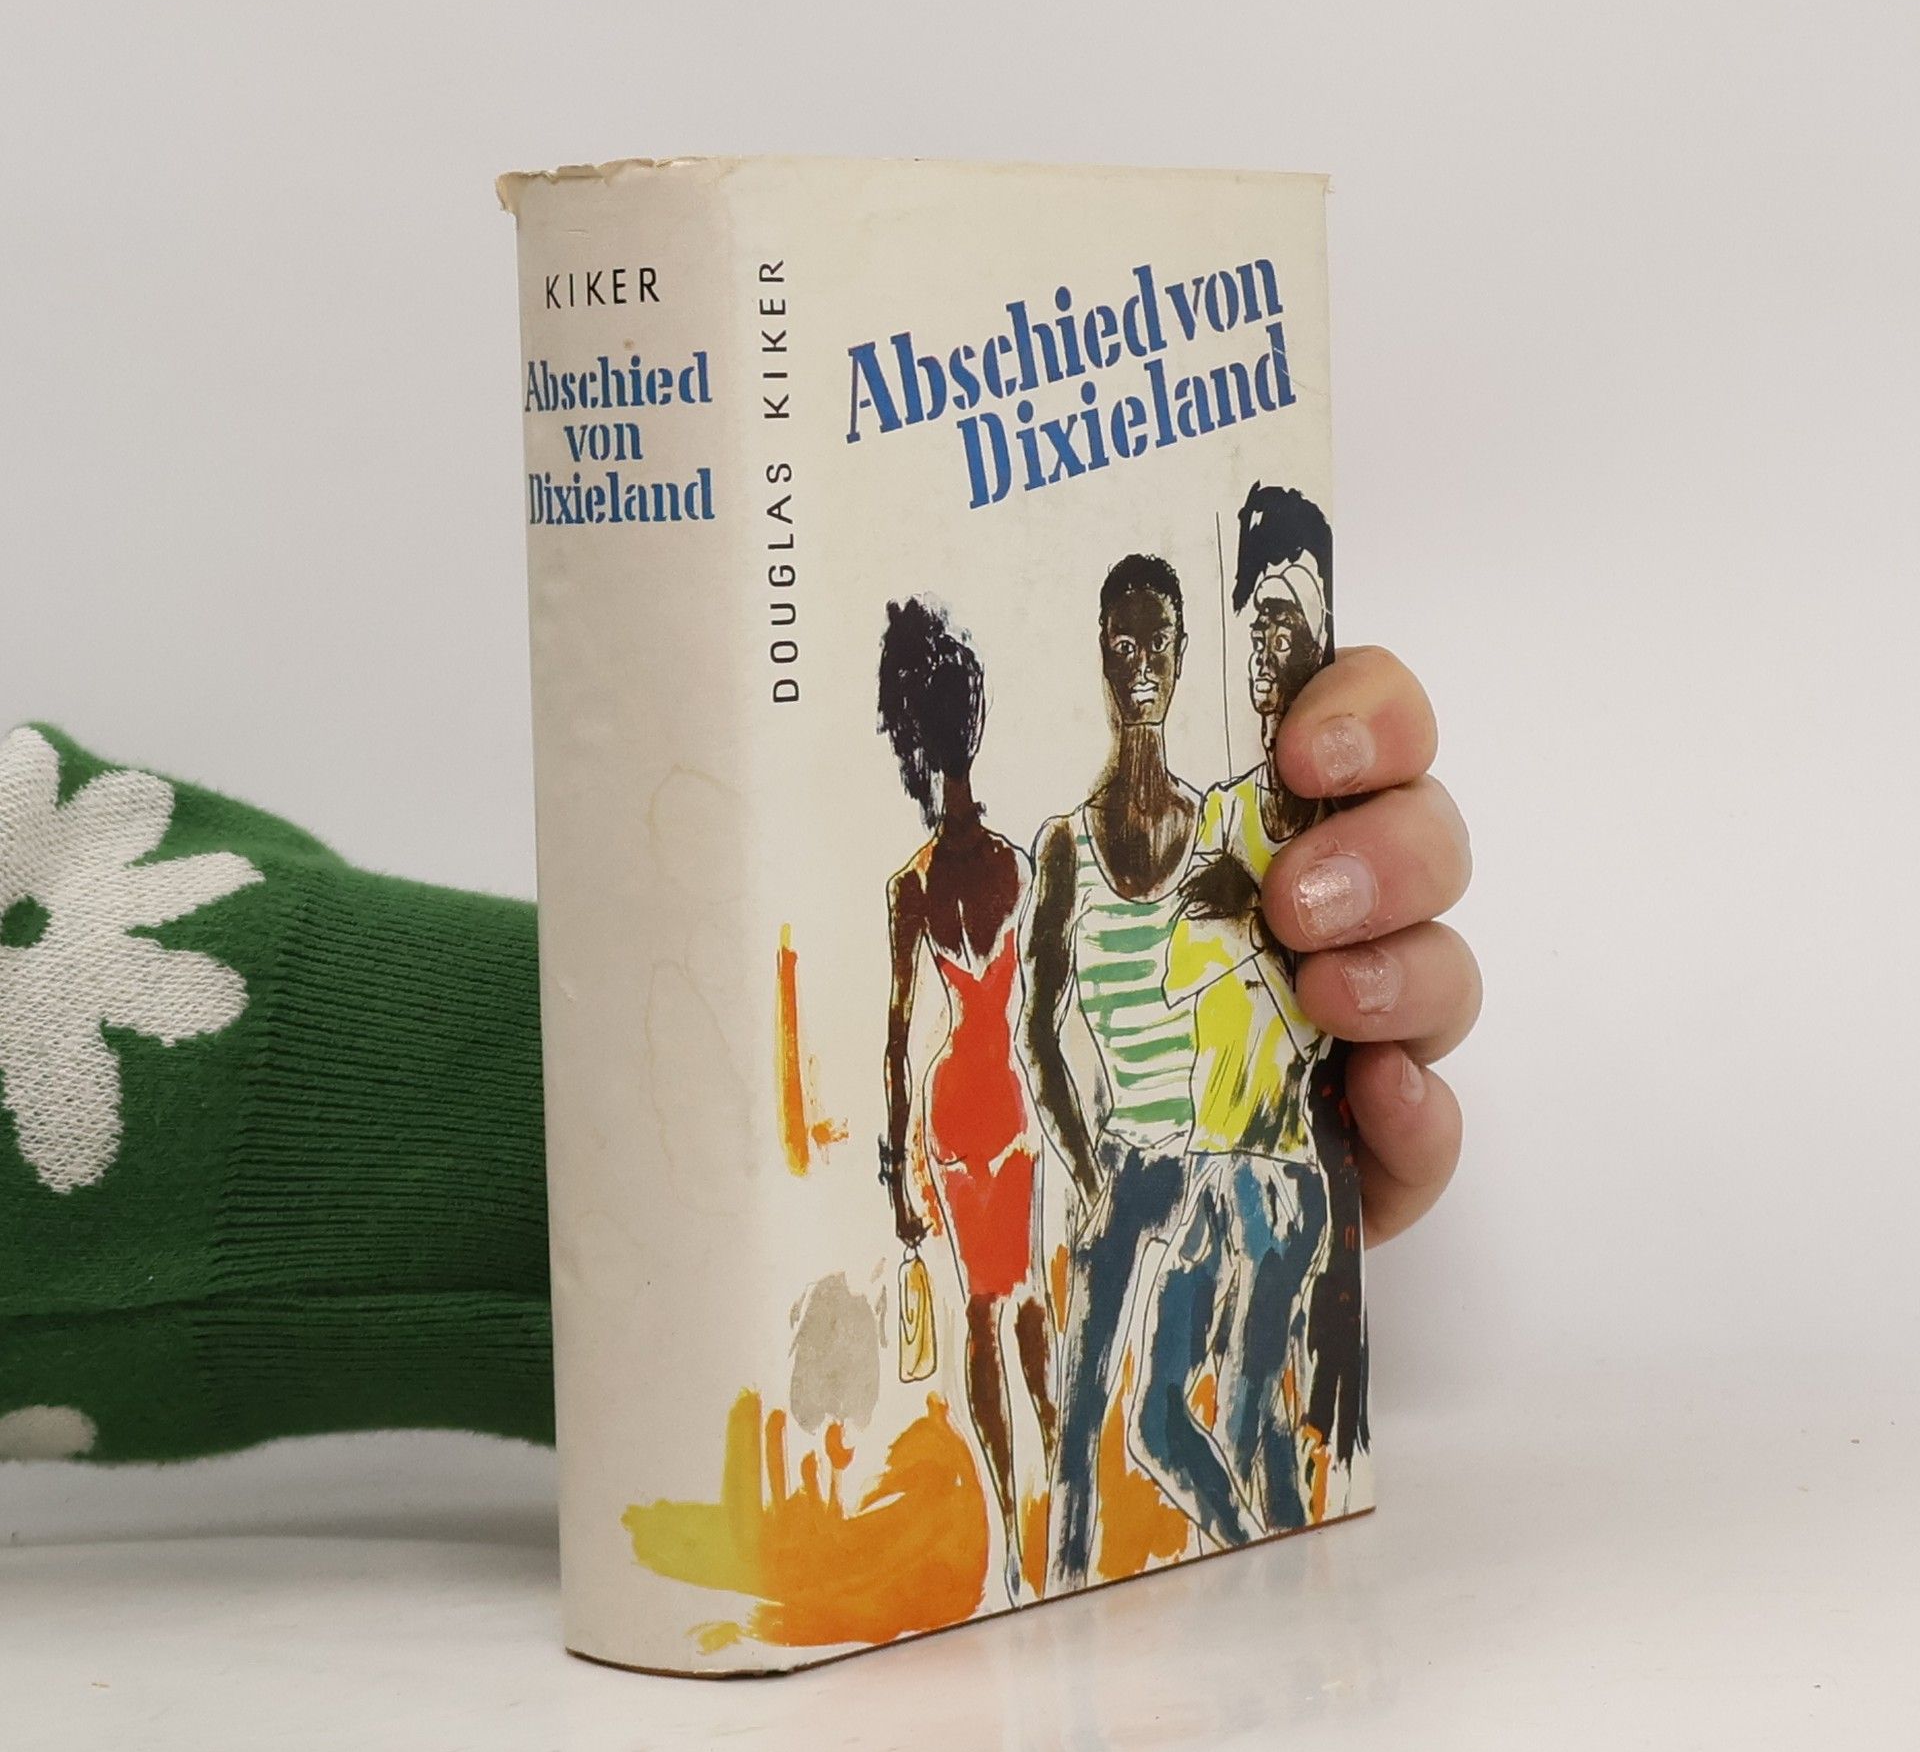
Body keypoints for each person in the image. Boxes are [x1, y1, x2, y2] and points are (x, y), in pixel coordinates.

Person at [0, 658, 1474, 1468]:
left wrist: (1228, 1093)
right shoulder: (977, 877)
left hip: (1056, 1156)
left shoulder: (1079, 854)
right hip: (957, 1147)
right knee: (1008, 1358)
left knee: (1038, 1355)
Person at [1132, 484, 1342, 1543]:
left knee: (1254, 1419)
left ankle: (1289, 1578)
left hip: (1281, 1172)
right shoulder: (1221, 813)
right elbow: (1177, 970)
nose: (1263, 641)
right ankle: (1253, 1554)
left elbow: (1314, 1016)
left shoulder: (1330, 835)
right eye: (1255, 620)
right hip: (1215, 1162)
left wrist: (1248, 917)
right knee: (1158, 1419)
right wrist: (1260, 934)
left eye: (1284, 622)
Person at [1022, 554, 1204, 1592]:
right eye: (1122, 645)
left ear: (1181, 656)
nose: (1141, 665)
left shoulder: (1214, 834)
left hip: (1215, 1160)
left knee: (1182, 1411)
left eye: (1157, 644)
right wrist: (1089, 1172)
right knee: (1082, 1415)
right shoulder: (1066, 849)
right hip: (1124, 1165)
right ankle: (1067, 1592)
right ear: (1102, 657)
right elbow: (1038, 1033)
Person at [877, 599, 1057, 1600]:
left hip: (973, 1111)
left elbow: (899, 1041)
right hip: (987, 1109)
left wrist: (897, 1168)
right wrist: (898, 1171)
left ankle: (1035, 1523)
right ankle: (1035, 1518)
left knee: (1001, 1309)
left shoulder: (929, 883)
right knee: (1009, 1306)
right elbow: (906, 1037)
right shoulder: (1006, 867)